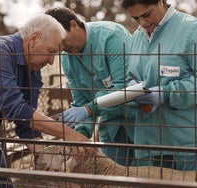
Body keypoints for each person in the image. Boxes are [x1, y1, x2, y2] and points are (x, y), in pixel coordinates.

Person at [0, 14, 90, 188]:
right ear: (33, 39)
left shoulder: (33, 69)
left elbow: (25, 122)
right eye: (51, 51)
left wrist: (43, 154)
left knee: (3, 184)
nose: (52, 60)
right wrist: (67, 133)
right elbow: (14, 108)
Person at [120, 0, 197, 170]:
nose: (142, 23)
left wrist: (168, 93)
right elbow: (131, 75)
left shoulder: (192, 30)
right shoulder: (136, 39)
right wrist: (134, 90)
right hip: (152, 146)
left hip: (193, 146)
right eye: (135, 18)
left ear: (161, 2)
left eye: (146, 15)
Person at [45, 7, 135, 166]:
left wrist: (88, 109)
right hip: (111, 125)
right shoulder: (68, 58)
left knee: (145, 174)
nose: (63, 48)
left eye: (64, 41)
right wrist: (78, 136)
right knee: (112, 177)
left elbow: (123, 88)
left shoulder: (111, 37)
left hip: (139, 120)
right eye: (59, 45)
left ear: (73, 25)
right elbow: (81, 101)